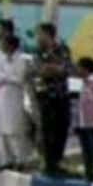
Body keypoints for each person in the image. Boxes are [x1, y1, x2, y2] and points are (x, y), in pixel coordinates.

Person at [32, 22, 72, 176]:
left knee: (61, 128)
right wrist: (55, 68)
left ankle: (57, 161)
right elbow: (40, 71)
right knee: (47, 129)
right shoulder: (38, 52)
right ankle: (48, 163)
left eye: (40, 34)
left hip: (61, 94)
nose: (38, 37)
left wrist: (52, 68)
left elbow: (66, 70)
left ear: (48, 34)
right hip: (45, 95)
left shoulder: (62, 49)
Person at [0, 32, 30, 171]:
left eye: (4, 43)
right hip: (2, 97)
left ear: (11, 46)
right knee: (1, 131)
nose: (1, 46)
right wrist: (5, 77)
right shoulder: (1, 60)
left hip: (14, 97)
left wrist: (5, 77)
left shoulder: (20, 60)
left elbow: (19, 79)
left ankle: (19, 160)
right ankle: (4, 161)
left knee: (14, 130)